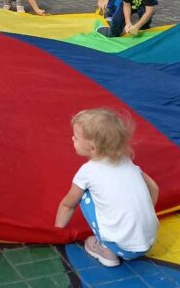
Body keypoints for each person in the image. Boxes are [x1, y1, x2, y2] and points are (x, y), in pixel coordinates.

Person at [55, 107, 159, 267]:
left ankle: (105, 249)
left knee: (84, 194)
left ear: (93, 148)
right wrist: (143, 213)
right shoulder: (126, 161)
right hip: (149, 242)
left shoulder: (88, 171)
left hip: (121, 247)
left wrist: (57, 232)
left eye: (76, 137)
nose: (72, 138)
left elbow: (68, 205)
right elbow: (154, 188)